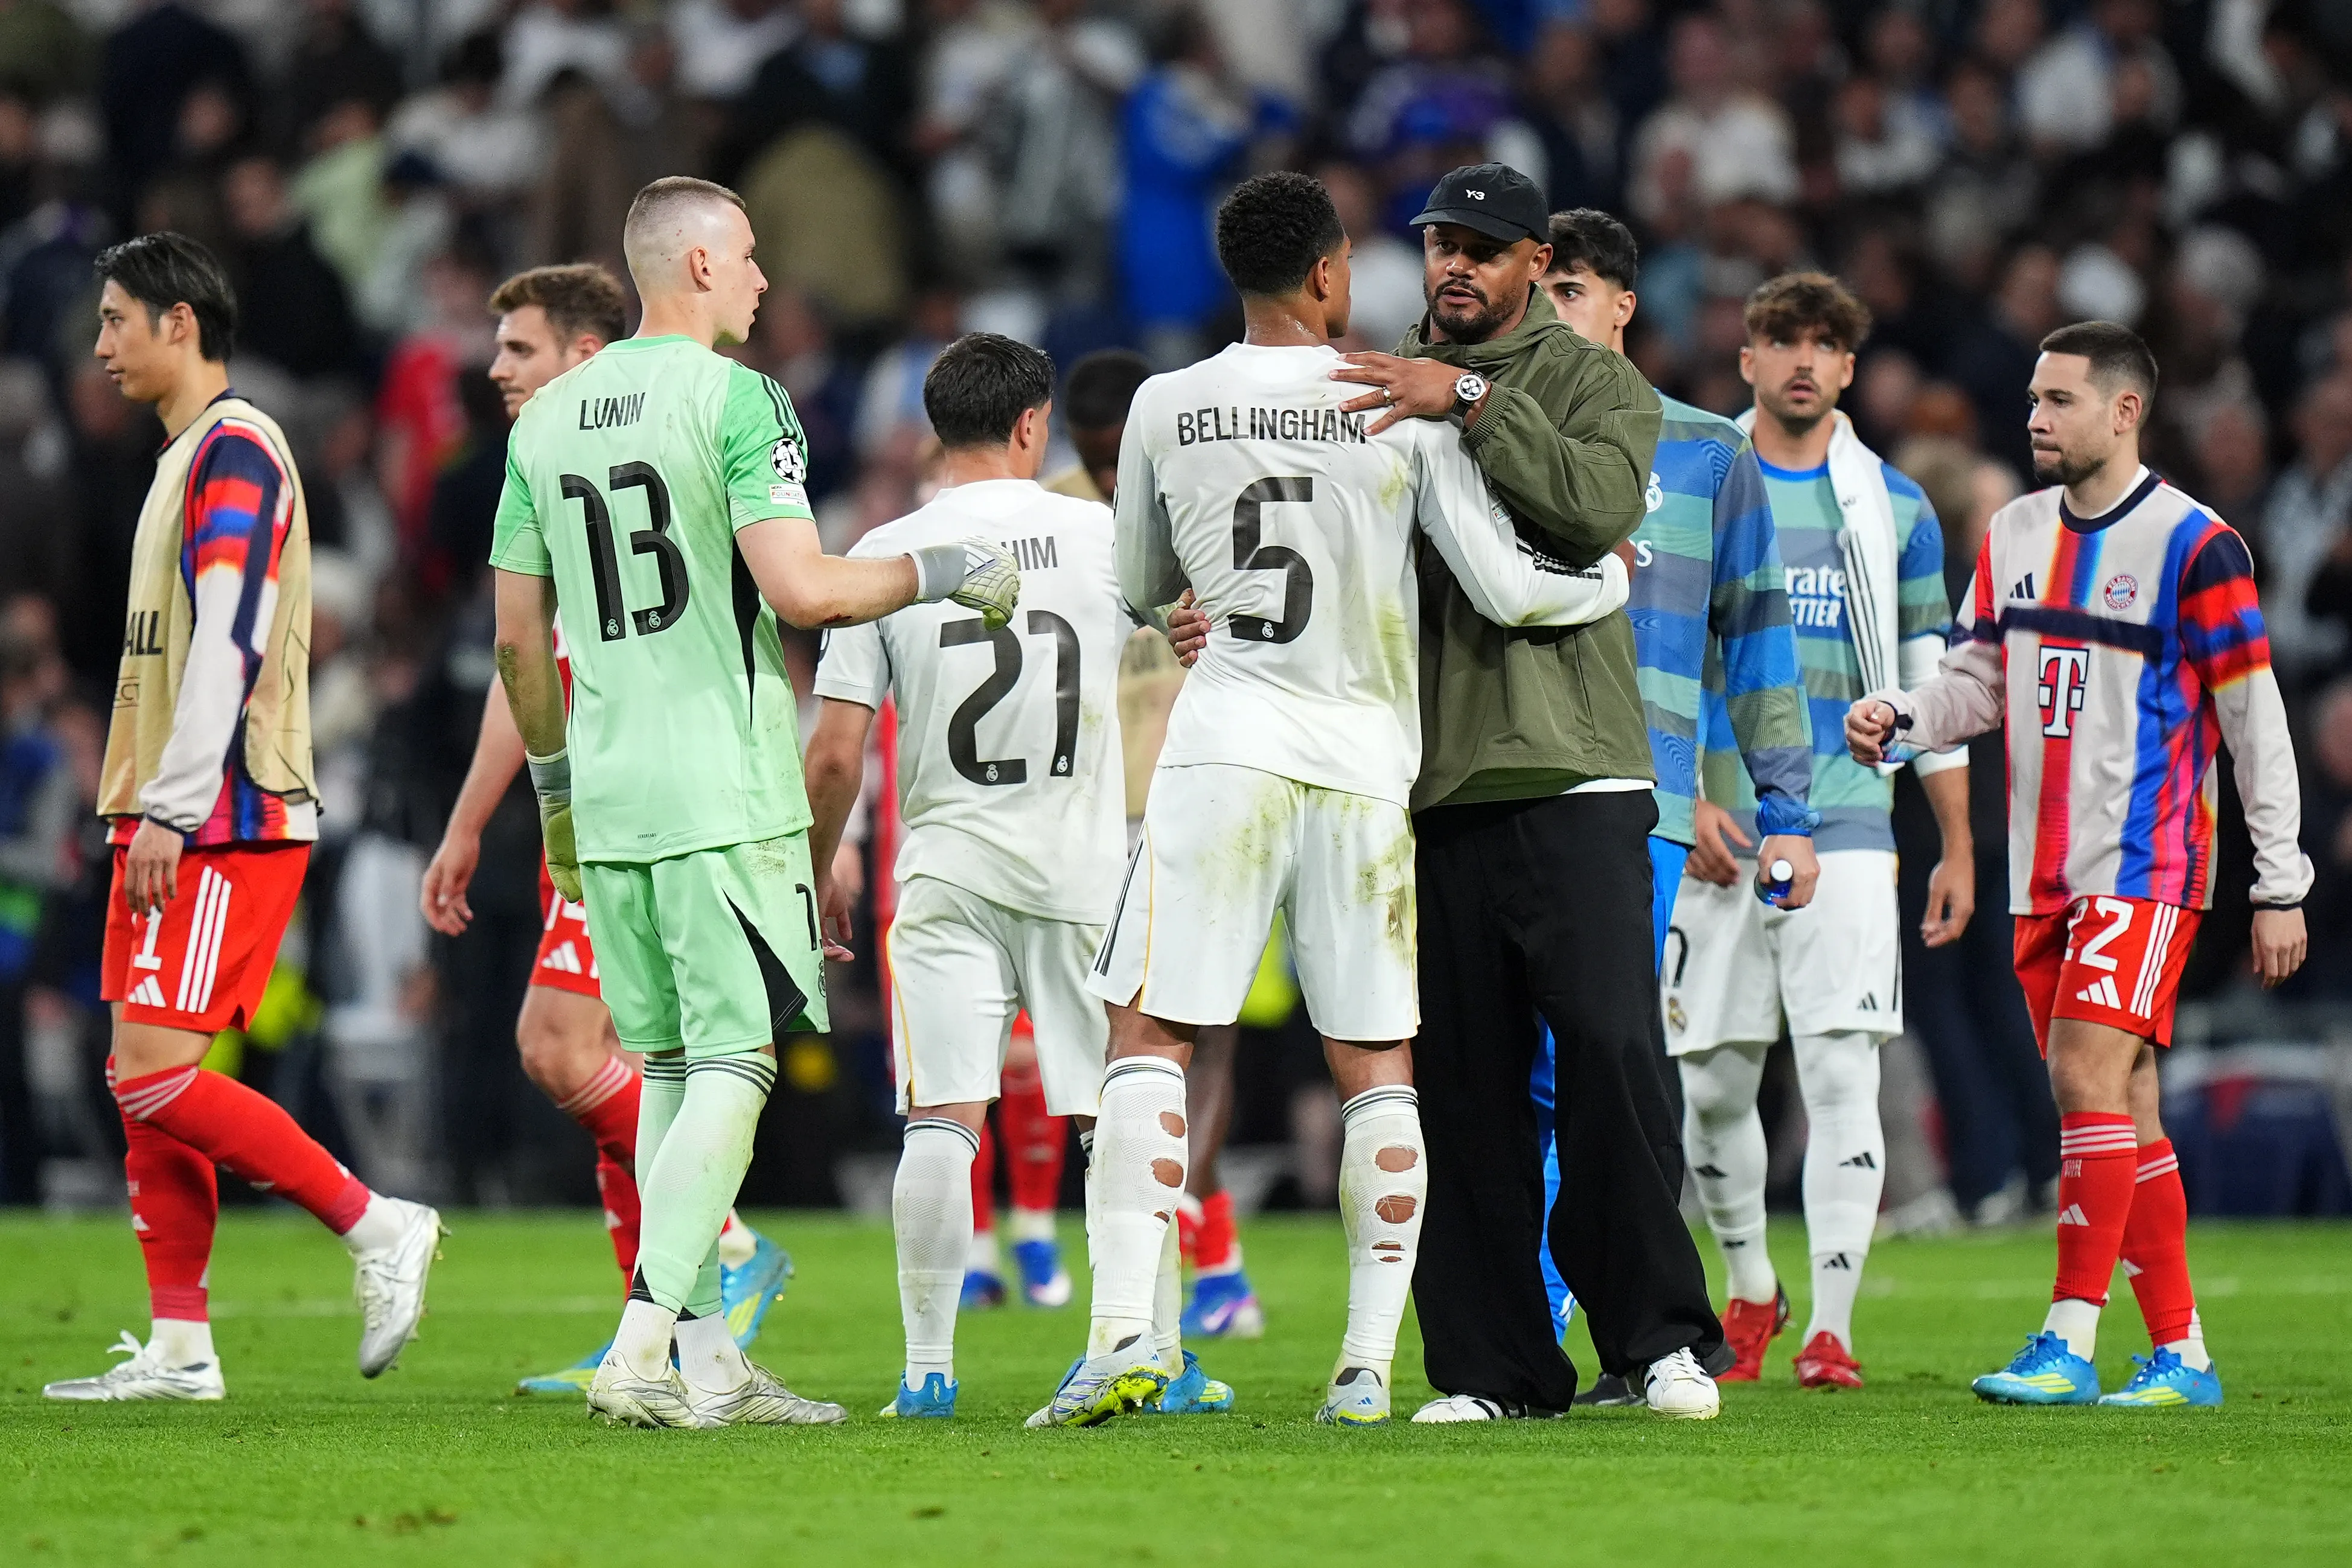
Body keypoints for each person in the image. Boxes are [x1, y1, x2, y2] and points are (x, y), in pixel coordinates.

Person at [1066, 170, 1633, 1430]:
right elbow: (1504, 589)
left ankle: (1117, 1343)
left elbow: (1144, 581)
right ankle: (1367, 1369)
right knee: (1375, 1060)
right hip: (1367, 765)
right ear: (1329, 275)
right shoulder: (1398, 404)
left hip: (1223, 749)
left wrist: (1187, 607)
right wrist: (1605, 587)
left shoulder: (1166, 402)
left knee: (1150, 1036)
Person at [488, 176, 1018, 1430]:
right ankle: (640, 1348)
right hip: (720, 785)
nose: (769, 281)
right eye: (753, 259)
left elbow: (519, 641)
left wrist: (557, 795)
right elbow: (804, 592)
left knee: (668, 1060)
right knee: (735, 1058)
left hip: (607, 789)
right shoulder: (739, 399)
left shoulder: (544, 420)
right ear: (704, 270)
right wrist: (948, 564)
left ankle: (711, 1366)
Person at [1848, 322, 2313, 1410]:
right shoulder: (2012, 532)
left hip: (2147, 863)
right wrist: (1909, 715)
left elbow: (2256, 721)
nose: (2036, 418)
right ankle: (2183, 1353)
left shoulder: (2200, 549)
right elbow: (1979, 680)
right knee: (2128, 1106)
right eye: (2032, 400)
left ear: (2124, 410)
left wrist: (2279, 880)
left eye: (2059, 400)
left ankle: (2067, 1336)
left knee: (2081, 1080)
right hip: (2040, 869)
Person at [1326, 161, 1722, 1420]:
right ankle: (1495, 1370)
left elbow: (1596, 503)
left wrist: (1474, 402)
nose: (1451, 264)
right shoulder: (1385, 383)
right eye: (1439, 243)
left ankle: (1656, 1339)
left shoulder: (1594, 381)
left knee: (1610, 1056)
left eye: (1479, 249)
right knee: (1468, 1088)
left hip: (1579, 767)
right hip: (1433, 785)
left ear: (1531, 266)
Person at [44, 233, 443, 1403]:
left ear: (180, 323)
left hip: (222, 812)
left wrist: (172, 804)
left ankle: (379, 1226)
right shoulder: (183, 459)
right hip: (168, 810)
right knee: (139, 1075)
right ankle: (180, 1347)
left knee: (159, 1076)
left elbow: (233, 632)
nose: (103, 344)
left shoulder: (238, 448)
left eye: (118, 319)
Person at [801, 331, 1229, 1420]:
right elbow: (1191, 626)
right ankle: (1149, 1349)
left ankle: (927, 1375)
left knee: (942, 1116)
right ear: (1035, 425)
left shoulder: (885, 549)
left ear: (936, 430)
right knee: (1117, 1112)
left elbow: (838, 750)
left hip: (943, 869)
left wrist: (821, 864)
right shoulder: (1097, 534)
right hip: (1086, 868)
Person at [419, 262, 792, 1397]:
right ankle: (685, 1334)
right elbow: (522, 655)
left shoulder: (635, 443)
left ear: (587, 357)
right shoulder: (564, 462)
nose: (496, 371)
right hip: (594, 798)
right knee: (641, 1061)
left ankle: (714, 1250)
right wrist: (475, 819)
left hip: (643, 794)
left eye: (520, 350)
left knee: (570, 1046)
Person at [1525, 211, 1817, 1408]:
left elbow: (1757, 644)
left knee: (1601, 1068)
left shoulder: (1704, 457)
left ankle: (1617, 1326)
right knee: (1506, 1075)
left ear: (1621, 307)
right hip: (1486, 795)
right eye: (1535, 289)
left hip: (1631, 809)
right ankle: (1532, 1329)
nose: (1550, 311)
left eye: (1572, 290)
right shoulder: (1472, 437)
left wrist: (1786, 803)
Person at [1661, 272, 1972, 1391]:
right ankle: (1751, 1286)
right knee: (1712, 1085)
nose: (1801, 359)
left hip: (1847, 822)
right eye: (1779, 340)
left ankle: (1830, 1325)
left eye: (1823, 343)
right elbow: (1670, 658)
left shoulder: (1894, 508)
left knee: (1842, 1068)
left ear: (1847, 367)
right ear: (1744, 360)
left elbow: (1933, 690)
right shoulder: (1692, 490)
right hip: (1719, 826)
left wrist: (1955, 844)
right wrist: (1680, 794)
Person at [1053, 345, 1265, 1340]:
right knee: (1124, 1039)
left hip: (1198, 790)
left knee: (1203, 1027)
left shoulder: (1203, 481)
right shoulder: (1047, 514)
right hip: (1088, 810)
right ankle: (1173, 1242)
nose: (1105, 479)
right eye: (1091, 460)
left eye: (1114, 458)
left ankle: (1200, 1230)